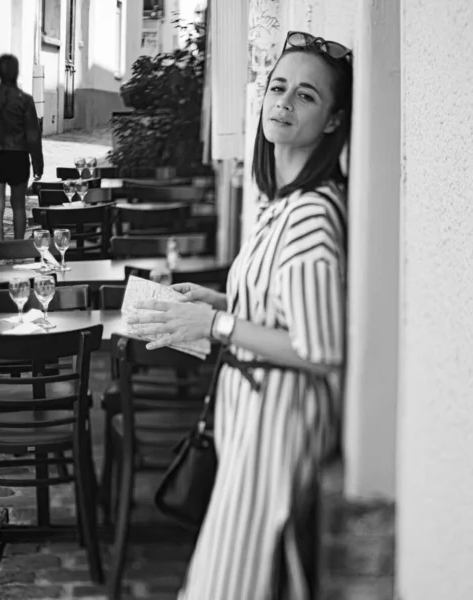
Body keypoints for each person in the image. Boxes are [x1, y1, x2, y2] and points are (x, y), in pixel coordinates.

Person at [129, 31, 352, 600]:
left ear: (332, 121)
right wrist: (219, 302)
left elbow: (319, 350)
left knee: (227, 585)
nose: (283, 102)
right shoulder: (281, 203)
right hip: (250, 412)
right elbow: (278, 310)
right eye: (278, 87)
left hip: (277, 424)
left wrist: (215, 327)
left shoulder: (310, 217)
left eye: (306, 96)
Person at [0, 54, 44, 240]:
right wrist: (38, 164)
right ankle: (17, 249)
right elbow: (33, 135)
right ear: (16, 72)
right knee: (18, 206)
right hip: (18, 157)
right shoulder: (24, 100)